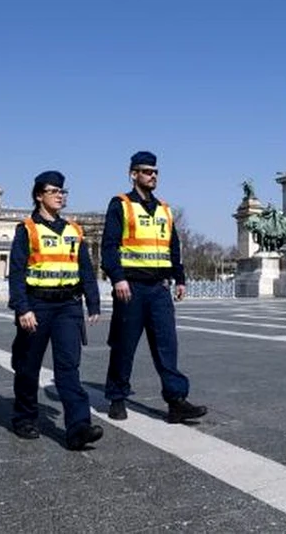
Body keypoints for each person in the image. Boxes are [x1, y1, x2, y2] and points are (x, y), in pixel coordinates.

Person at [102, 151, 207, 424]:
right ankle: (116, 396)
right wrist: (118, 278)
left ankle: (176, 401)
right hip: (131, 288)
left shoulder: (164, 209)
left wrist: (180, 278)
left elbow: (174, 248)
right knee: (124, 346)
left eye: (156, 172)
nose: (153, 176)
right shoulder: (121, 205)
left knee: (167, 346)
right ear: (133, 174)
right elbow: (109, 247)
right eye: (147, 171)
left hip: (159, 289)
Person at [7, 170, 104, 450]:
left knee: (68, 368)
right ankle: (24, 417)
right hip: (37, 305)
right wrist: (22, 307)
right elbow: (16, 273)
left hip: (67, 307)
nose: (61, 195)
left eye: (63, 192)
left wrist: (93, 301)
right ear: (39, 195)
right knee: (28, 367)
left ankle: (78, 426)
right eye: (54, 191)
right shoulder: (27, 229)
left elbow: (85, 268)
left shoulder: (74, 230)